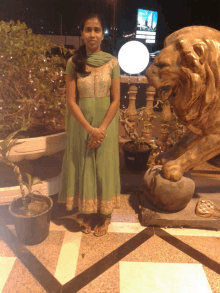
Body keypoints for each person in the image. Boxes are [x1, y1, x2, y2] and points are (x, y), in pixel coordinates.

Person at [58, 13, 121, 237]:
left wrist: (101, 128)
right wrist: (89, 129)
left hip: (107, 124)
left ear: (103, 34)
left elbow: (116, 100)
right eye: (88, 29)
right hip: (81, 124)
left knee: (104, 166)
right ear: (81, 33)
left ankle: (104, 216)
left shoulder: (113, 62)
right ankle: (86, 212)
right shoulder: (73, 62)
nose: (92, 34)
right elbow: (71, 101)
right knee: (83, 165)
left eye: (96, 29)